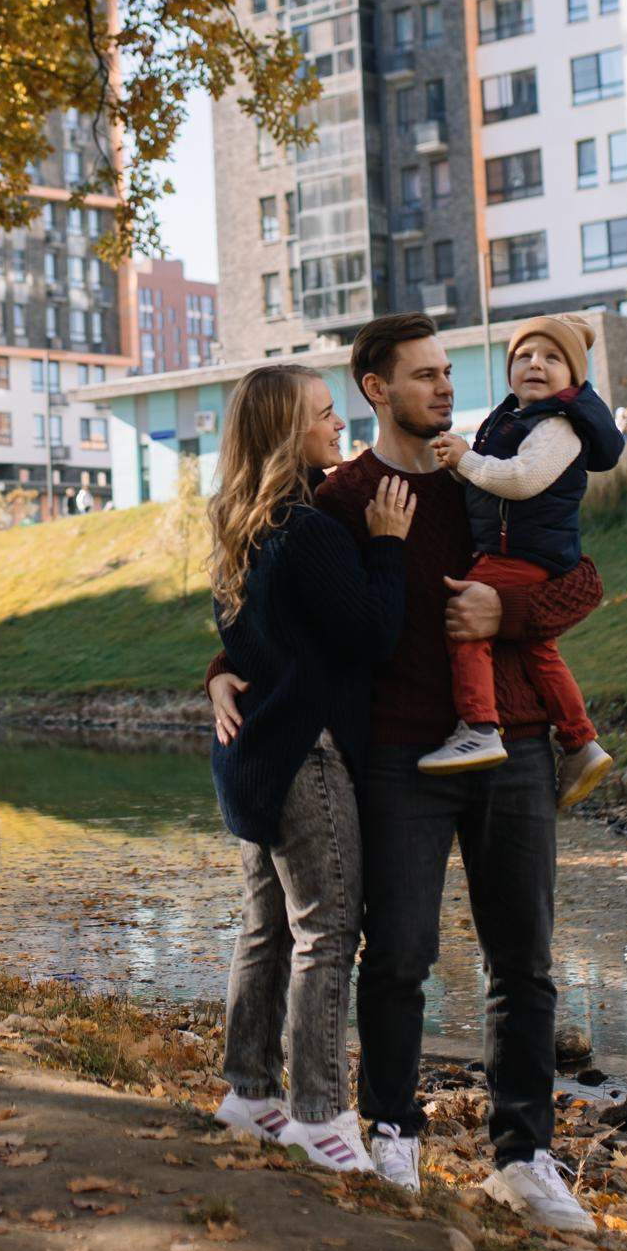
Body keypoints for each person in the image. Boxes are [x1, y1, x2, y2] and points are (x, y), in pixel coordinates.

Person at [206, 314, 603, 1230]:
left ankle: (525, 1158)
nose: (444, 387)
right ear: (375, 389)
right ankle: (392, 1132)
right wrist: (221, 671)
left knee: (525, 962)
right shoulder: (342, 497)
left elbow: (581, 583)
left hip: (516, 740)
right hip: (396, 753)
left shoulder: (491, 474)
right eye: (422, 375)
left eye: (446, 372)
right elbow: (277, 603)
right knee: (396, 957)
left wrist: (505, 613)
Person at [203, 364, 415, 1173]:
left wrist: (215, 673)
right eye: (325, 414)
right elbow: (372, 634)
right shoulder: (310, 527)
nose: (340, 424)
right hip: (304, 753)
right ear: (287, 433)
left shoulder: (236, 524)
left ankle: (251, 1092)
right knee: (326, 931)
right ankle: (321, 1118)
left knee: (266, 926)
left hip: (251, 754)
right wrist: (390, 548)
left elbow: (264, 640)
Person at [417, 315, 622, 812]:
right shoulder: (515, 418)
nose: (536, 365)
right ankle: (579, 741)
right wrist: (461, 465)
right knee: (538, 650)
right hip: (521, 549)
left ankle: (480, 727)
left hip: (523, 555)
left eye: (553, 358)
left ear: (573, 378)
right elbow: (497, 483)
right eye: (524, 356)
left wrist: (465, 461)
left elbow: (521, 481)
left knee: (466, 620)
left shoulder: (558, 427)